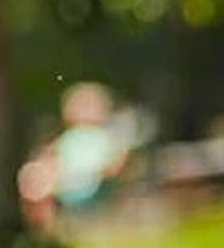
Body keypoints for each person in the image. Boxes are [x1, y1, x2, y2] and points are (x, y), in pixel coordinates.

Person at [17, 82, 139, 235]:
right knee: (35, 177)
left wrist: (104, 171)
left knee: (43, 187)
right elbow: (53, 158)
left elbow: (118, 163)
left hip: (91, 186)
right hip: (66, 184)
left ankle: (42, 228)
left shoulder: (104, 138)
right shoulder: (69, 138)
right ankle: (41, 224)